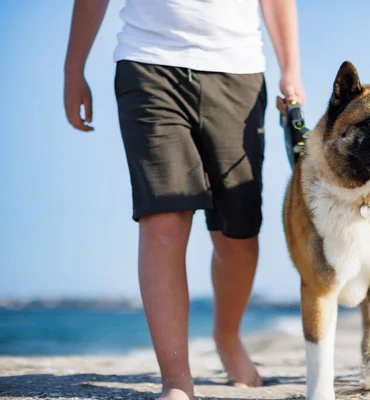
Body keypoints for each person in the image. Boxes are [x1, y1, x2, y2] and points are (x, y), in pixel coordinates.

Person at [63, 0, 305, 398]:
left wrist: (290, 68)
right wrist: (74, 69)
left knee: (238, 235)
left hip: (239, 70)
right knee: (164, 219)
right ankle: (176, 380)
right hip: (147, 65)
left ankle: (227, 338)